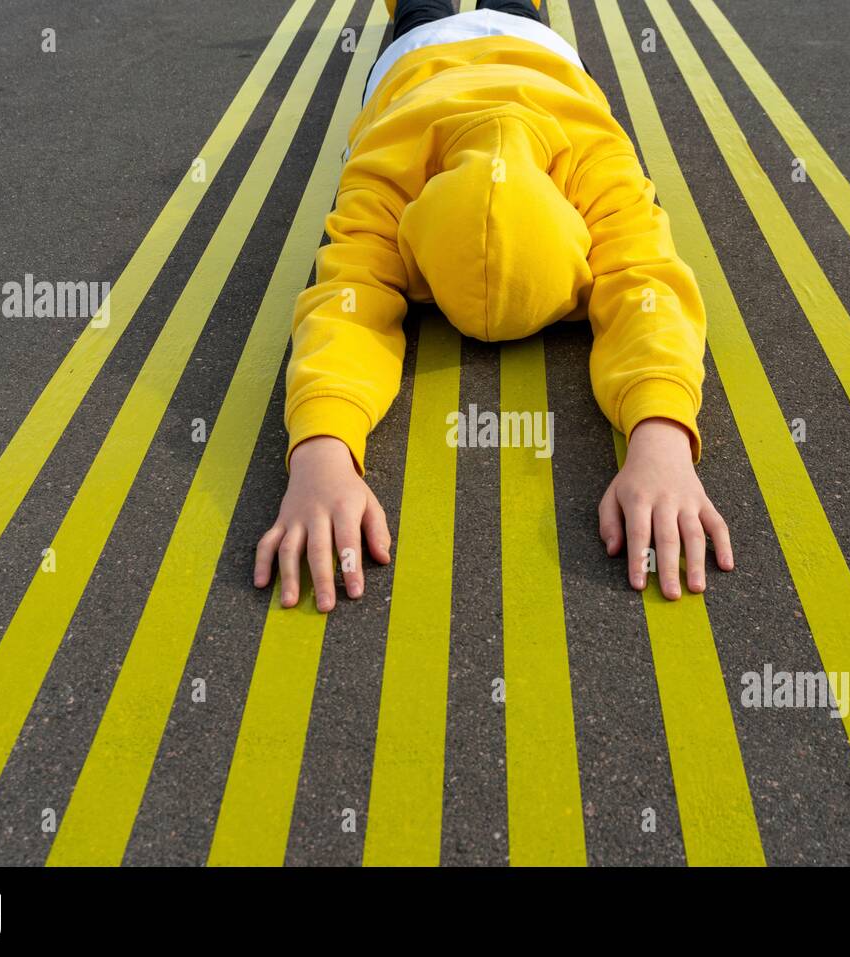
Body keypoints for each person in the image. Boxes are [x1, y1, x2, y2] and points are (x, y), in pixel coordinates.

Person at [254, 0, 734, 612]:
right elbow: (646, 284)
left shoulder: (577, 160)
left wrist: (324, 445)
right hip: (452, 62)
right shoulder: (388, 173)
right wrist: (658, 432)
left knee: (430, 14)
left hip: (466, 67)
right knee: (431, 14)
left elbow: (349, 302)